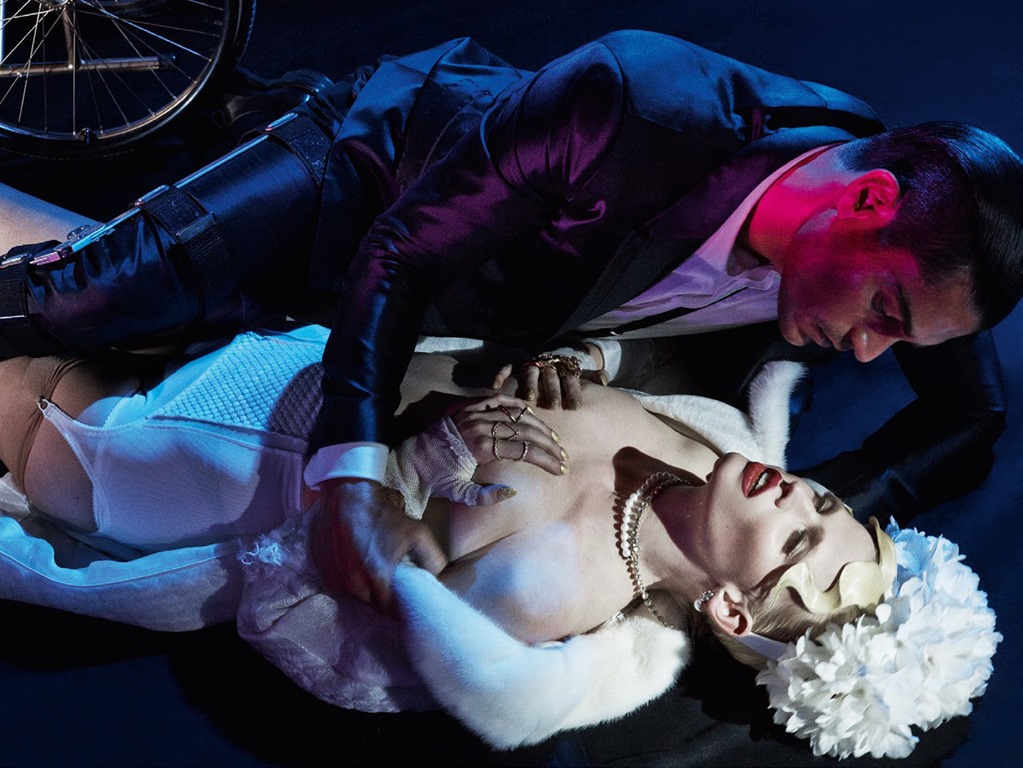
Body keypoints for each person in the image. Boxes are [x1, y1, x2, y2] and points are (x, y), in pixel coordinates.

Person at [0, 32, 1020, 612]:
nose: (867, 351)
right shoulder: (639, 106)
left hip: (465, 309)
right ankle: (252, 119)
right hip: (371, 182)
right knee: (84, 300)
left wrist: (832, 509)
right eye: (881, 313)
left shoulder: (936, 263)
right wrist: (350, 477)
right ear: (867, 200)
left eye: (901, 339)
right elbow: (400, 254)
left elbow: (971, 418)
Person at [0, 322, 1001, 760]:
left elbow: (366, 573)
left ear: (733, 610)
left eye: (794, 542)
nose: (801, 498)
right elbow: (604, 356)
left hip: (184, 449)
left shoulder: (556, 587)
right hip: (278, 345)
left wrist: (429, 458)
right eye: (825, 505)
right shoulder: (707, 446)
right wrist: (575, 356)